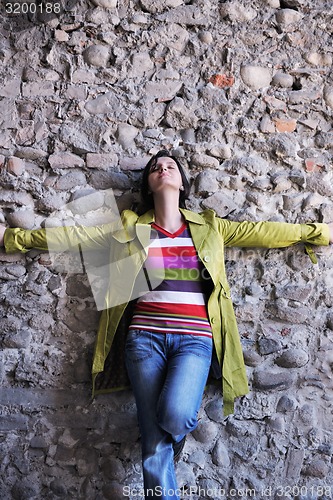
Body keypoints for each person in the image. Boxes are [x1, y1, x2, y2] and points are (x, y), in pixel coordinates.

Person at [0, 150, 332, 499]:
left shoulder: (209, 226)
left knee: (172, 416)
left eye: (170, 165)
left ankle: (167, 442)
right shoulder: (130, 228)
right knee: (153, 444)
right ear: (148, 184)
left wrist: (319, 232)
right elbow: (73, 237)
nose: (163, 168)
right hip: (144, 340)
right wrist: (12, 238)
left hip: (195, 340)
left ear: (183, 183)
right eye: (155, 167)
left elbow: (263, 231)